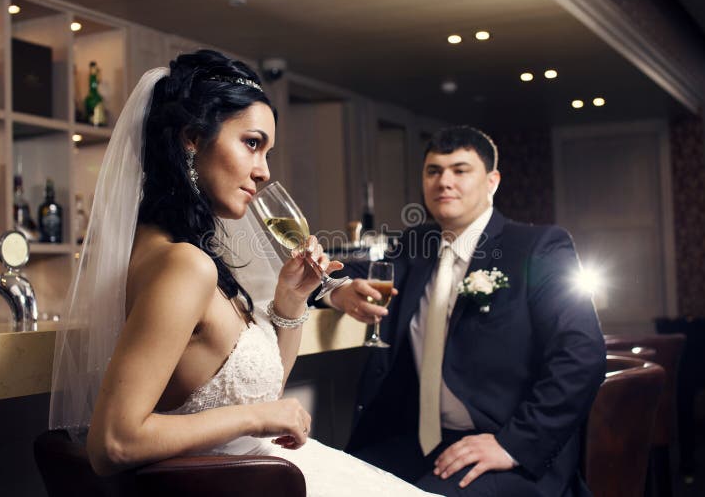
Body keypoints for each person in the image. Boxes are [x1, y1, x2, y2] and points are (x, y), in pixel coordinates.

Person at [49, 49, 441, 497]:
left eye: (267, 152)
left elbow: (257, 392)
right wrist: (257, 417)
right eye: (252, 144)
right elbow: (113, 443)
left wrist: (291, 300)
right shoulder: (184, 265)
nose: (264, 172)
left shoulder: (162, 248)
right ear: (192, 139)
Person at [326, 126, 606, 496]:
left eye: (460, 170)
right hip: (418, 440)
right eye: (433, 171)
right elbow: (338, 271)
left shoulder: (538, 247)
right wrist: (337, 291)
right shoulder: (415, 245)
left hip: (506, 447)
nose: (444, 181)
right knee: (333, 486)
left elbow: (583, 354)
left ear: (492, 181)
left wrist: (513, 444)